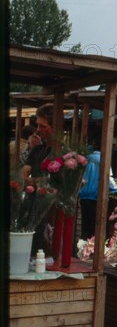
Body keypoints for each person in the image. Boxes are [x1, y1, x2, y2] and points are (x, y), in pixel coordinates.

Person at [21, 104, 56, 254]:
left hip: (50, 215)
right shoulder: (37, 150)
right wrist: (37, 181)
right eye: (37, 125)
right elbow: (22, 175)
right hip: (31, 207)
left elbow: (55, 184)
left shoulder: (63, 154)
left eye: (43, 126)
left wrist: (33, 181)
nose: (38, 129)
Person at [79, 130, 117, 241]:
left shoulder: (85, 158)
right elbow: (109, 180)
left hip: (83, 195)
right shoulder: (103, 160)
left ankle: (82, 249)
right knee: (96, 227)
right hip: (96, 198)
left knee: (85, 226)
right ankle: (93, 251)